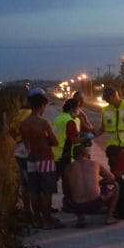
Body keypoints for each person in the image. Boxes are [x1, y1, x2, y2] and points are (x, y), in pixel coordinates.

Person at [17, 90, 63, 229]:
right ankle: (47, 220)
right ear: (42, 105)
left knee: (34, 190)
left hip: (31, 159)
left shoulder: (24, 124)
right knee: (47, 191)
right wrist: (46, 141)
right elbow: (54, 142)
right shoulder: (43, 123)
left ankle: (37, 219)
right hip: (45, 159)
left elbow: (25, 144)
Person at [64, 143, 118, 227]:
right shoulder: (95, 163)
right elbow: (111, 178)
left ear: (74, 156)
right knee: (116, 186)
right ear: (86, 154)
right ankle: (109, 217)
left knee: (70, 193)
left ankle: (80, 219)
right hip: (95, 203)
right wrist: (98, 183)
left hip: (77, 206)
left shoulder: (68, 168)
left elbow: (66, 189)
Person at [9, 93, 36, 220]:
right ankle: (30, 210)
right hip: (27, 151)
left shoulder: (20, 112)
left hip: (19, 150)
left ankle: (27, 209)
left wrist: (17, 140)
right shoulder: (30, 113)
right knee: (30, 181)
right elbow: (28, 132)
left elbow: (11, 130)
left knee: (25, 181)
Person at [95, 86, 124, 151]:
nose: (107, 102)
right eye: (106, 100)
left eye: (108, 99)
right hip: (113, 147)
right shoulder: (105, 110)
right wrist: (92, 136)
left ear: (114, 96)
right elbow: (103, 128)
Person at [53, 97, 82, 200]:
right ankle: (68, 201)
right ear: (71, 109)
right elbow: (74, 140)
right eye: (78, 107)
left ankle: (48, 205)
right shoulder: (70, 121)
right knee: (68, 180)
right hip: (66, 154)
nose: (79, 110)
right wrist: (85, 139)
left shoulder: (58, 118)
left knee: (56, 178)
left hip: (56, 153)